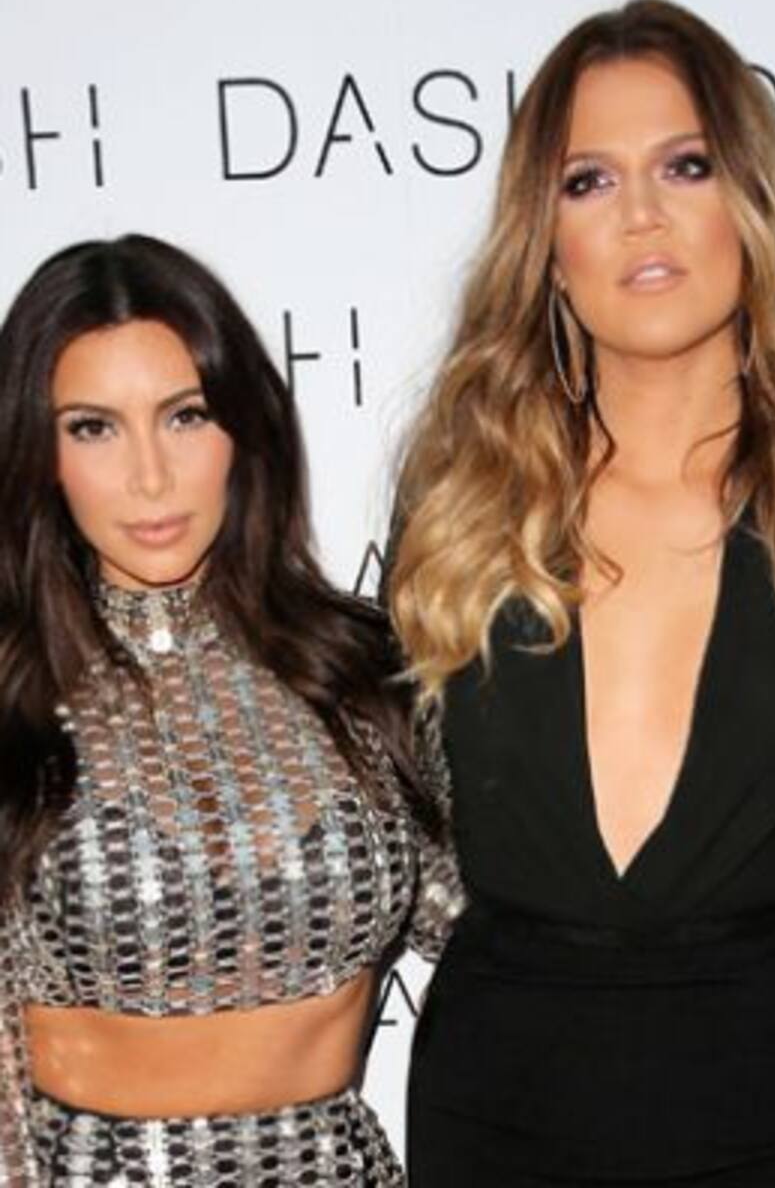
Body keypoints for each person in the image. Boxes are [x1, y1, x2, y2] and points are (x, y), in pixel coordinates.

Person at [387, 0, 775, 1185]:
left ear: (754, 199)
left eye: (687, 165)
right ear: (546, 241)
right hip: (501, 1102)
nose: (642, 214)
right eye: (588, 181)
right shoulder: (463, 497)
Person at [0, 234, 460, 1186]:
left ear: (244, 429)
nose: (151, 476)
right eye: (93, 428)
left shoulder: (363, 670)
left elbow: (500, 939)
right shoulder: (13, 694)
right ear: (41, 456)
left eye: (186, 416)